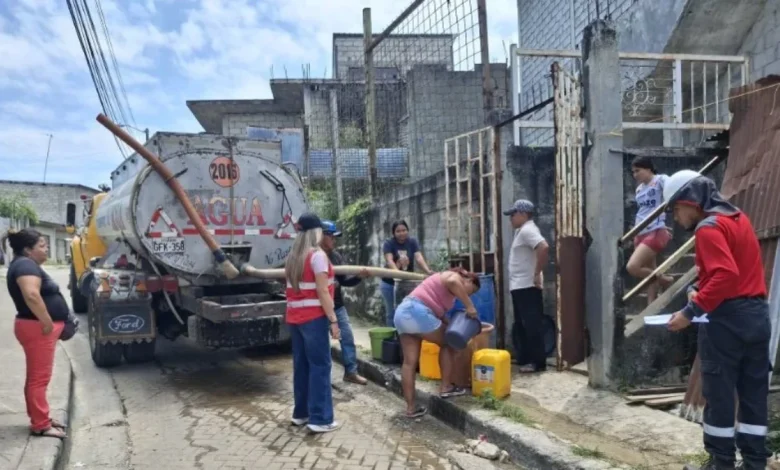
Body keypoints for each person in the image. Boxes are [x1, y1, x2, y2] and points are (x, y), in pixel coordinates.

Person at [665, 171, 770, 470]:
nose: (676, 218)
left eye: (675, 209)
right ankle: (754, 463)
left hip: (726, 320)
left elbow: (725, 275)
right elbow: (734, 270)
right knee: (753, 393)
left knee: (720, 394)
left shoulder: (707, 229)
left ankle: (721, 463)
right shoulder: (739, 219)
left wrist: (689, 312)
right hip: (757, 315)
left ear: (690, 201)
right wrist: (698, 287)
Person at [3, 229, 68, 439]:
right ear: (27, 250)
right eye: (42, 245)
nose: (46, 249)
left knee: (36, 378)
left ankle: (41, 417)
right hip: (36, 327)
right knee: (39, 380)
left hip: (34, 326)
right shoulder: (25, 265)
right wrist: (47, 321)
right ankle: (40, 424)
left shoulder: (25, 264)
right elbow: (31, 295)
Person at [394, 267, 480, 418]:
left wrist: (451, 324)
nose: (468, 295)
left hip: (403, 313)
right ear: (469, 280)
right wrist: (469, 306)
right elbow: (453, 282)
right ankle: (446, 387)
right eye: (471, 291)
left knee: (409, 363)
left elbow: (438, 314)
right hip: (417, 311)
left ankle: (411, 408)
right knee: (449, 343)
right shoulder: (454, 276)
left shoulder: (445, 289)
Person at [284, 212, 341, 434]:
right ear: (316, 231)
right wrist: (333, 320)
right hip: (313, 319)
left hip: (295, 318)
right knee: (320, 366)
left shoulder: (292, 257)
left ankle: (301, 413)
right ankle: (321, 418)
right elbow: (323, 291)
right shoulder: (317, 256)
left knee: (302, 366)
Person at [319, 219, 369, 386]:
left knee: (347, 337)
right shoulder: (313, 256)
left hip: (337, 306)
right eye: (331, 236)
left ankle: (351, 372)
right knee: (321, 344)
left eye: (335, 237)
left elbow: (345, 281)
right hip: (318, 308)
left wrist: (358, 277)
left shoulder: (336, 256)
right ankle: (323, 378)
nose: (334, 240)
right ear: (321, 236)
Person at [505, 199, 550, 373]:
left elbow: (543, 247)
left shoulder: (528, 230)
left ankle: (537, 362)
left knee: (531, 324)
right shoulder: (522, 230)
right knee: (523, 324)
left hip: (527, 285)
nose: (511, 218)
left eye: (513, 214)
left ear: (523, 214)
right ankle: (526, 359)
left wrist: (537, 273)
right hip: (520, 285)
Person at [626, 157, 674, 304]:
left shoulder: (660, 180)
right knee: (650, 272)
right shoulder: (639, 189)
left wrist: (664, 222)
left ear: (648, 169)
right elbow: (643, 210)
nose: (635, 175)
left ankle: (666, 280)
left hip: (655, 230)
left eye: (638, 170)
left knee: (633, 267)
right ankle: (651, 305)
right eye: (633, 172)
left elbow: (673, 193)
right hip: (640, 232)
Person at [379, 220, 434, 327]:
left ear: (407, 230)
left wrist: (428, 271)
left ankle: (405, 333)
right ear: (394, 233)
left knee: (407, 310)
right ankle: (393, 335)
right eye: (398, 231)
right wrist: (397, 273)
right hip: (389, 283)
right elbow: (389, 260)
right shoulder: (389, 243)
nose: (401, 233)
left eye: (404, 230)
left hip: (406, 283)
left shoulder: (412, 242)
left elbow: (418, 257)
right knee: (391, 312)